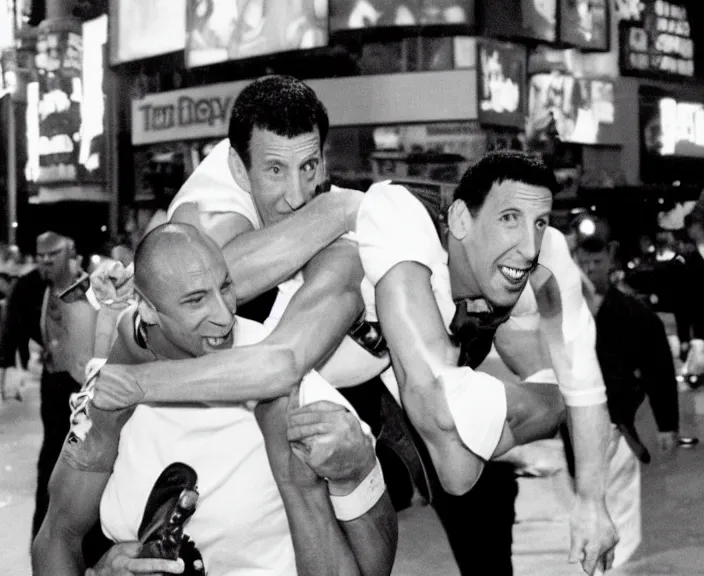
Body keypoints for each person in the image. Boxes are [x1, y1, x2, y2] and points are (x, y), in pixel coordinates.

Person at [91, 76, 614, 574]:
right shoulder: (237, 221)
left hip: (359, 368)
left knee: (460, 465)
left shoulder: (373, 247)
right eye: (275, 171)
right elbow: (204, 291)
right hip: (310, 371)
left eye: (309, 167)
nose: (296, 193)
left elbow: (581, 380)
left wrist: (590, 491)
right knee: (447, 454)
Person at [32, 223, 397, 576]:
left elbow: (374, 564)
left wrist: (352, 475)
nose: (224, 316)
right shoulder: (115, 388)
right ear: (145, 308)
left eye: (225, 287)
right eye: (196, 300)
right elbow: (55, 537)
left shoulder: (287, 387)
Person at [0, 232, 97, 539]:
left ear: (70, 253)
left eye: (51, 257)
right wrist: (10, 367)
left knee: (90, 459)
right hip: (55, 382)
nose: (45, 264)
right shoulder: (30, 286)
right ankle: (44, 538)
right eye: (40, 258)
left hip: (91, 386)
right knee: (52, 458)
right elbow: (12, 323)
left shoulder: (93, 287)